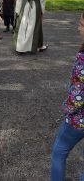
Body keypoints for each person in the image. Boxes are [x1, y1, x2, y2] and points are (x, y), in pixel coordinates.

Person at [51, 12, 84, 181]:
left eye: (81, 24)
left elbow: (78, 96)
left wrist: (67, 108)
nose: (78, 28)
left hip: (79, 120)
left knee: (59, 151)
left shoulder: (83, 58)